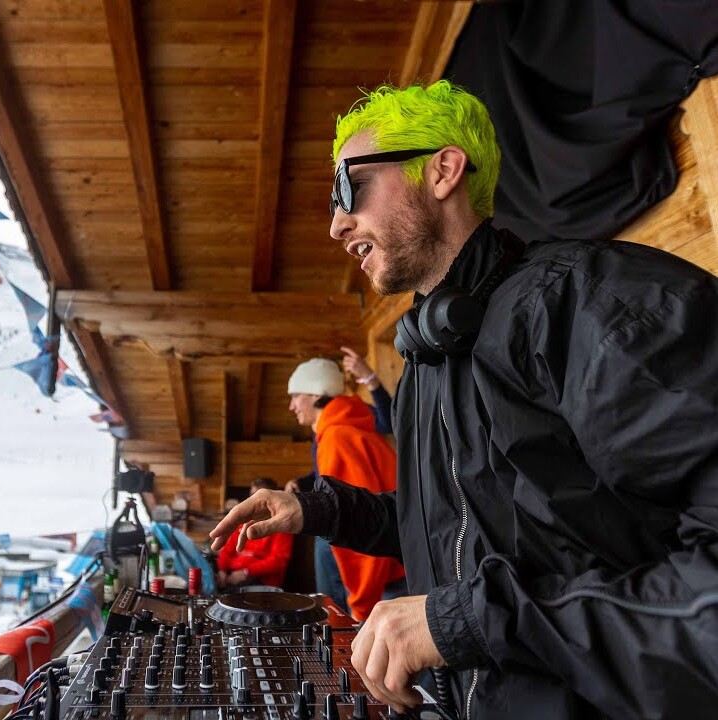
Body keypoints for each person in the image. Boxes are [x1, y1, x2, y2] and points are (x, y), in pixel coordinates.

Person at [211, 80, 718, 719]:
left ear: (444, 170)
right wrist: (316, 509)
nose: (337, 224)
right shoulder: (427, 361)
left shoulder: (596, 304)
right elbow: (445, 528)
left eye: (349, 188)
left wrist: (465, 624)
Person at [284, 357, 404, 621]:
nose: (291, 406)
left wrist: (361, 609)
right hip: (392, 567)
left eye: (296, 396)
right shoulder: (345, 427)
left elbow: (359, 522)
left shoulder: (337, 439)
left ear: (316, 393)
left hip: (376, 575)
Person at [216, 478, 293, 589]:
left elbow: (278, 561)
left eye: (257, 496)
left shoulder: (281, 524)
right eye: (252, 495)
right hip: (233, 573)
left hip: (260, 580)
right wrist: (222, 570)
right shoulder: (243, 521)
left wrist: (246, 572)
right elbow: (227, 550)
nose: (253, 500)